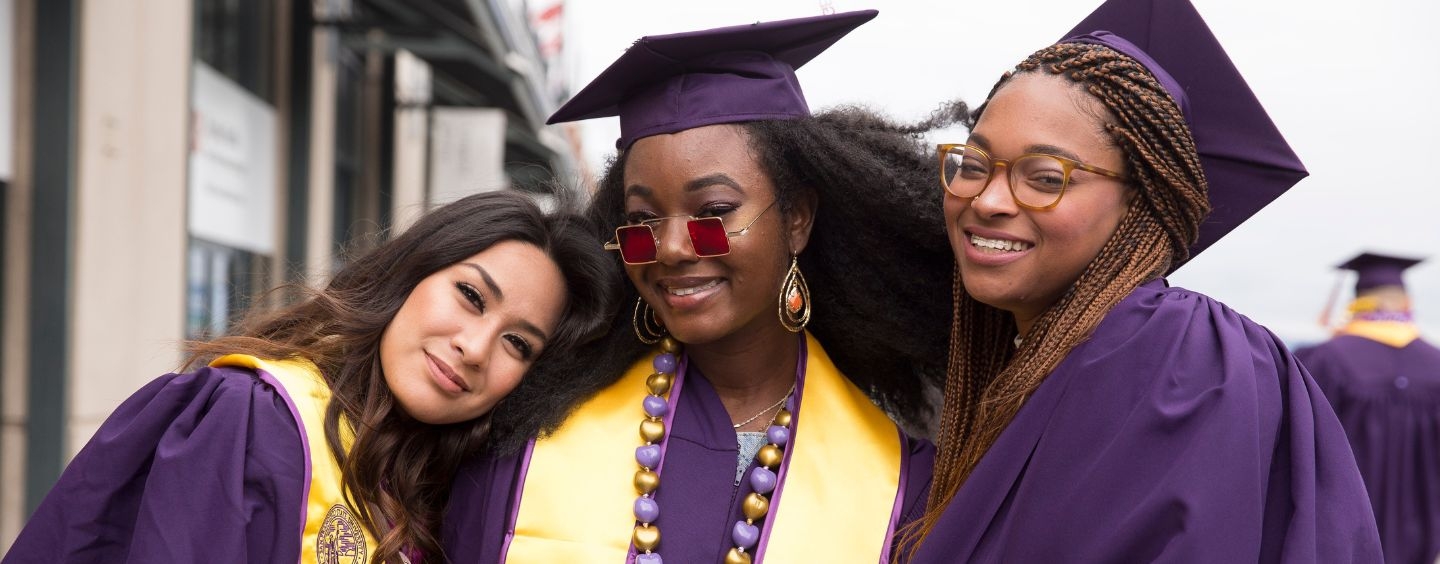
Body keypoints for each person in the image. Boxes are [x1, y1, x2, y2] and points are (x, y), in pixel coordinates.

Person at [443, 10, 952, 564]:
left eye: (712, 212)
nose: (673, 248)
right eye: (642, 220)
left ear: (797, 217)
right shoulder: (530, 428)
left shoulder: (902, 489)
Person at [897, 0, 1384, 561]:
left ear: (1140, 201)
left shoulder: (1187, 356)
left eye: (1045, 177)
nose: (986, 200)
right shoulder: (1021, 356)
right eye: (974, 164)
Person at [2, 191, 617, 564]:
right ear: (410, 274)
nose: (475, 347)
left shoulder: (432, 486)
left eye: (519, 343)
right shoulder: (246, 418)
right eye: (469, 296)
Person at [1296, 252, 1440, 564]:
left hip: (1345, 532)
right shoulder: (1436, 363)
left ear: (1356, 301)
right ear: (1406, 301)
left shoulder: (1326, 360)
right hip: (1425, 535)